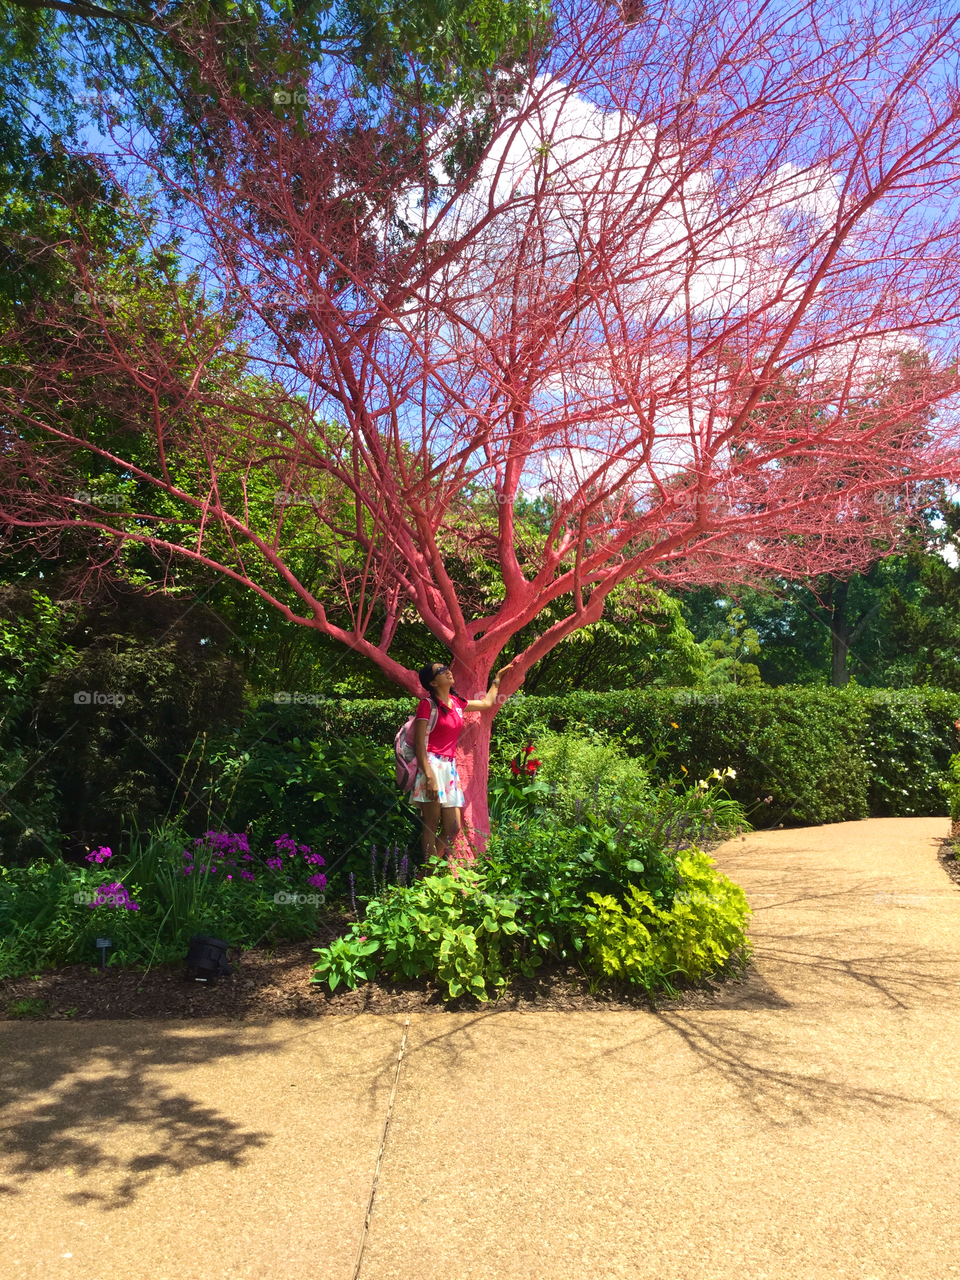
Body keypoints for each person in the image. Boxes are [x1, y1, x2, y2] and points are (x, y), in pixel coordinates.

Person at [413, 660, 522, 867]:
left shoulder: (457, 702)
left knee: (452, 827)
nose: (447, 671)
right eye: (441, 671)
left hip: (449, 768)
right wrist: (428, 775)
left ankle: (429, 870)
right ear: (433, 683)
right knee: (430, 824)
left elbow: (487, 703)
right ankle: (427, 876)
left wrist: (497, 678)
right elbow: (419, 742)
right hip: (431, 765)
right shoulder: (427, 705)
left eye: (446, 668)